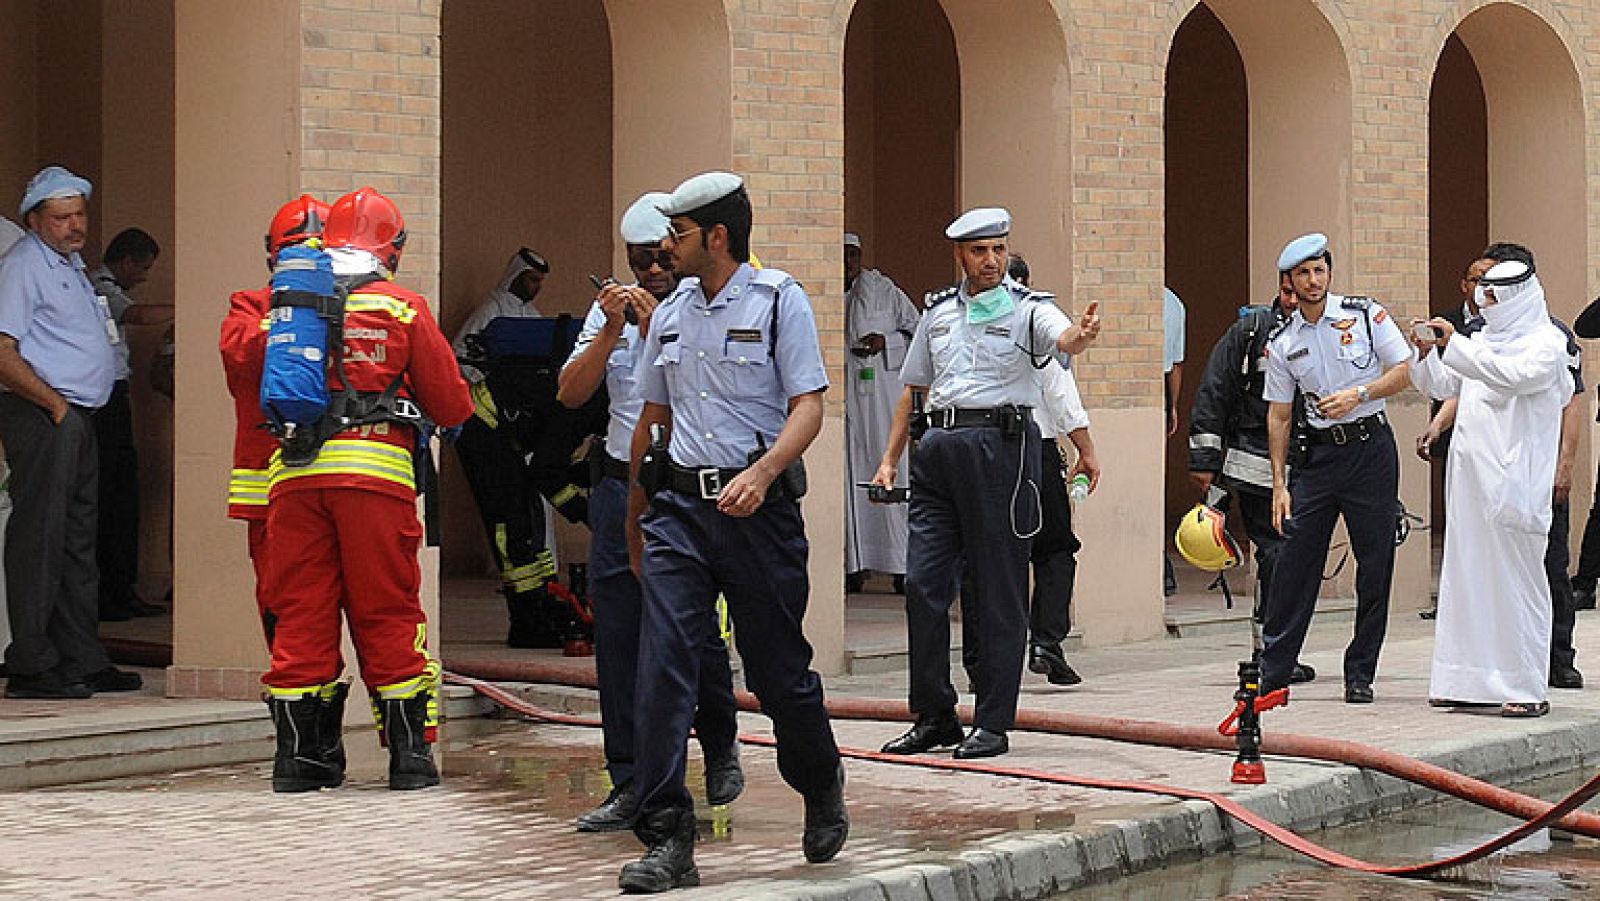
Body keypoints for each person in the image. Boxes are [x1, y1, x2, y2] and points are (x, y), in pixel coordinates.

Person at [621, 171, 846, 892]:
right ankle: (668, 836)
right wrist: (635, 511)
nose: (666, 247)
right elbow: (653, 419)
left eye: (678, 235)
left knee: (779, 673)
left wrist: (767, 468)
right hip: (682, 513)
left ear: (717, 236)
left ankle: (820, 778)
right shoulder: (671, 312)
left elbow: (808, 403)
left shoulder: (781, 300)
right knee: (662, 667)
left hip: (759, 513)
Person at [252, 187, 473, 792]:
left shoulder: (290, 303)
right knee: (389, 611)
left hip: (294, 478)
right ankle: (409, 759)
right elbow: (452, 403)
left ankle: (300, 761)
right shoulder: (400, 308)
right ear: (392, 247)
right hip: (375, 479)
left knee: (301, 614)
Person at [873, 207, 1100, 761]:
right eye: (979, 251)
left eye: (998, 249)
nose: (991, 260)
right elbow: (914, 388)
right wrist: (889, 458)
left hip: (1001, 448)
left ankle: (994, 721)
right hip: (939, 451)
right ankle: (934, 714)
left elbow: (1063, 340)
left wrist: (1079, 336)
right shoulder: (939, 311)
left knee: (998, 589)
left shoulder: (1030, 309)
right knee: (924, 586)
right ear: (960, 256)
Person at [557, 192, 742, 833]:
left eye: (663, 259)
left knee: (690, 626)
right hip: (618, 484)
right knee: (619, 633)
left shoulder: (704, 308)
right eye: (642, 264)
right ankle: (629, 779)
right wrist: (612, 327)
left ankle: (719, 742)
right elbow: (570, 391)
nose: (654, 274)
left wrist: (654, 326)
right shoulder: (609, 310)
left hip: (682, 486)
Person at [0, 165, 141, 698]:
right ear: (35, 220)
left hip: (81, 414)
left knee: (80, 540)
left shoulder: (72, 265)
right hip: (42, 412)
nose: (74, 225)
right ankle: (32, 663)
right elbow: (2, 348)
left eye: (79, 213)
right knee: (42, 537)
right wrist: (55, 406)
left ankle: (82, 656)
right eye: (61, 217)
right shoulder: (22, 266)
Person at [1420, 246, 1585, 691]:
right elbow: (1442, 384)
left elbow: (1513, 376)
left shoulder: (1547, 345)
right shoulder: (1480, 342)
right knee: (1468, 581)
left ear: (1517, 297)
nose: (1483, 304)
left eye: (1492, 297)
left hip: (1515, 485)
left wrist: (1454, 346)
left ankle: (1523, 686)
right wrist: (1425, 353)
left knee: (1520, 586)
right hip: (1471, 484)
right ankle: (1464, 684)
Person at [1259, 233, 1412, 703]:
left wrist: (1359, 395)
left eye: (1319, 270)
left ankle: (1360, 671)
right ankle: (1275, 670)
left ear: (1329, 272)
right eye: (1303, 273)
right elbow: (1279, 414)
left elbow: (1405, 368)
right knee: (1295, 561)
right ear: (1289, 282)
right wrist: (1279, 484)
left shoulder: (1365, 315)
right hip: (1319, 458)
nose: (1313, 280)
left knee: (1375, 563)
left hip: (1370, 451)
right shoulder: (1283, 342)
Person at [959, 254, 1097, 688]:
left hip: (980, 453)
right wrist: (1087, 452)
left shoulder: (961, 328)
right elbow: (1061, 395)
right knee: (1054, 549)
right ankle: (1044, 643)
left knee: (989, 558)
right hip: (1029, 453)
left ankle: (986, 659)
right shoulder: (1031, 330)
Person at [451, 248, 591, 648]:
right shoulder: (581, 395)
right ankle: (526, 620)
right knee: (511, 523)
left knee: (528, 519)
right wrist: (585, 510)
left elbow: (555, 465)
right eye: (531, 279)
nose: (536, 287)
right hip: (483, 427)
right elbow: (551, 467)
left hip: (511, 434)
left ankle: (539, 605)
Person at [1188, 276, 1316, 684]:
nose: (1294, 300)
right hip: (1255, 467)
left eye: (1301, 292)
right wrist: (1204, 460)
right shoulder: (1251, 331)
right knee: (1277, 555)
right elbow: (1214, 390)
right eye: (1287, 291)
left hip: (1310, 467)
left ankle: (1281, 649)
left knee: (1296, 560)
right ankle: (1270, 651)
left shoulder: (1331, 332)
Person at [219, 195, 331, 655]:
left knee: (290, 601)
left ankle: (302, 701)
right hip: (281, 480)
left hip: (307, 478)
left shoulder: (252, 311)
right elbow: (240, 355)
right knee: (287, 602)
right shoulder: (250, 308)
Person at [90, 226, 168, 621]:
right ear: (126, 261)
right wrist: (189, 307)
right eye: (143, 268)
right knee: (114, 494)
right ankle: (112, 593)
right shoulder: (100, 288)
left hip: (113, 398)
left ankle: (123, 589)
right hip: (102, 401)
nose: (144, 276)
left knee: (125, 493)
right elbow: (134, 315)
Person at [843, 231, 920, 595]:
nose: (847, 264)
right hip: (847, 398)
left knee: (888, 471)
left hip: (883, 397)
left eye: (852, 256)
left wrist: (884, 342)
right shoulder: (827, 295)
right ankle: (852, 565)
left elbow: (917, 331)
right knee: (851, 475)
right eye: (841, 255)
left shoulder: (883, 290)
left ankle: (900, 563)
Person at [1162, 287, 1187, 596]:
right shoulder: (1173, 302)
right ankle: (1161, 565)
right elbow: (1176, 365)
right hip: (1160, 386)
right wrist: (1172, 407)